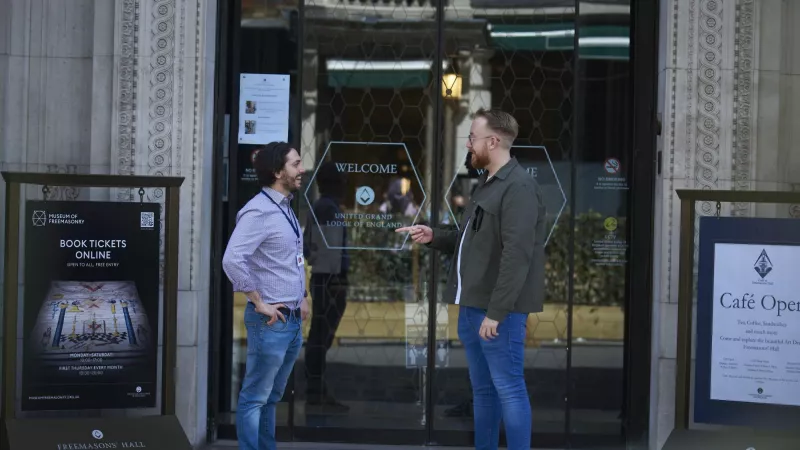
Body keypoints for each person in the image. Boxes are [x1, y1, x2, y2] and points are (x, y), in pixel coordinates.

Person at [397, 108, 546, 450]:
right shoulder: (487, 185)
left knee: (508, 388)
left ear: (493, 142)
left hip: (497, 314)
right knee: (484, 391)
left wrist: (497, 312)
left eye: (472, 138)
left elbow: (517, 256)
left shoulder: (519, 188)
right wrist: (432, 235)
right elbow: (471, 239)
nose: (468, 144)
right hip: (473, 308)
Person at [222, 141, 310, 450]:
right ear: (277, 172)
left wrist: (305, 296)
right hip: (270, 321)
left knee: (271, 397)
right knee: (255, 397)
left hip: (291, 318)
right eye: (296, 164)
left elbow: (293, 258)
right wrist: (258, 302)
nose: (302, 170)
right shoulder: (258, 211)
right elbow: (232, 260)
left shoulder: (284, 208)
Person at [303, 162, 350, 413]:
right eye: (341, 181)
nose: (345, 186)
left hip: (325, 279)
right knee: (321, 338)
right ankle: (315, 391)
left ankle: (316, 390)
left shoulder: (321, 207)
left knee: (320, 337)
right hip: (330, 280)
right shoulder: (327, 209)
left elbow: (309, 247)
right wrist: (337, 281)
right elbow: (330, 250)